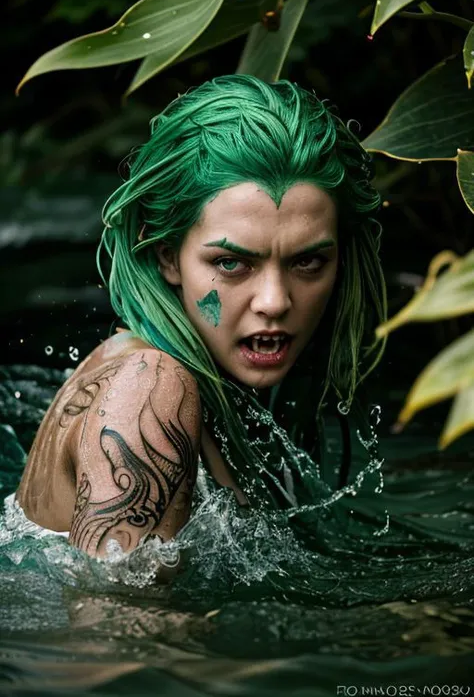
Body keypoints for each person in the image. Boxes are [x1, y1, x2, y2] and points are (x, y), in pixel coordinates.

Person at [14, 75, 387, 560]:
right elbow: (115, 627)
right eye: (231, 263)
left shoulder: (213, 392)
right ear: (168, 257)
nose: (274, 301)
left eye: (307, 262)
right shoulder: (151, 389)